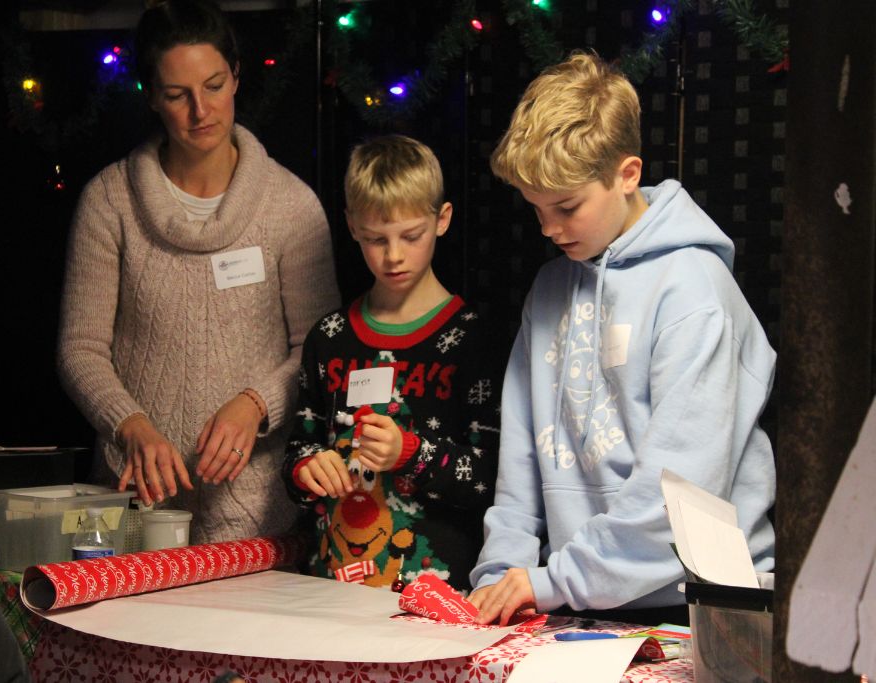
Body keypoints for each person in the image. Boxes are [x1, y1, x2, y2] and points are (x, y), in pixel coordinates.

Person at [468, 52, 776, 625]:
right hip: (572, 602)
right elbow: (520, 464)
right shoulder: (550, 286)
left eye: (566, 207)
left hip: (704, 608)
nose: (549, 229)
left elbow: (680, 493)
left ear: (627, 174)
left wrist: (551, 581)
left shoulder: (694, 290)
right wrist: (500, 574)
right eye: (535, 209)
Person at [57, 0, 339, 545]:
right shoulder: (109, 201)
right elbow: (80, 347)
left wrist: (255, 404)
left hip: (256, 512)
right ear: (150, 97)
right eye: (176, 95)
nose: (200, 110)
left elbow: (320, 348)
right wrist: (130, 425)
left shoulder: (291, 206)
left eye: (213, 85)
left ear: (237, 76)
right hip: (132, 504)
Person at [282, 135, 502, 591]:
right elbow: (298, 450)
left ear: (442, 220)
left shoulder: (475, 340)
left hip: (439, 594)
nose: (394, 255)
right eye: (376, 239)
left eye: (411, 236)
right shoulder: (330, 338)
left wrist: (411, 453)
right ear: (352, 227)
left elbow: (491, 478)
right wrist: (308, 471)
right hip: (331, 586)